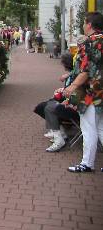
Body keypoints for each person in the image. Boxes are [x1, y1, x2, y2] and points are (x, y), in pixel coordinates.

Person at [62, 12, 103, 173]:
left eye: (84, 23)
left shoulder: (89, 43)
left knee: (88, 128)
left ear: (89, 25)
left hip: (90, 93)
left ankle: (87, 163)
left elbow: (86, 70)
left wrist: (71, 87)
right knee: (100, 127)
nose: (83, 26)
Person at [33, 52, 78, 152]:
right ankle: (60, 132)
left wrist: (64, 96)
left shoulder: (76, 75)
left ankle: (58, 138)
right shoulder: (72, 74)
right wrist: (62, 90)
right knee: (41, 106)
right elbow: (69, 88)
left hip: (76, 106)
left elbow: (76, 92)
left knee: (49, 107)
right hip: (68, 101)